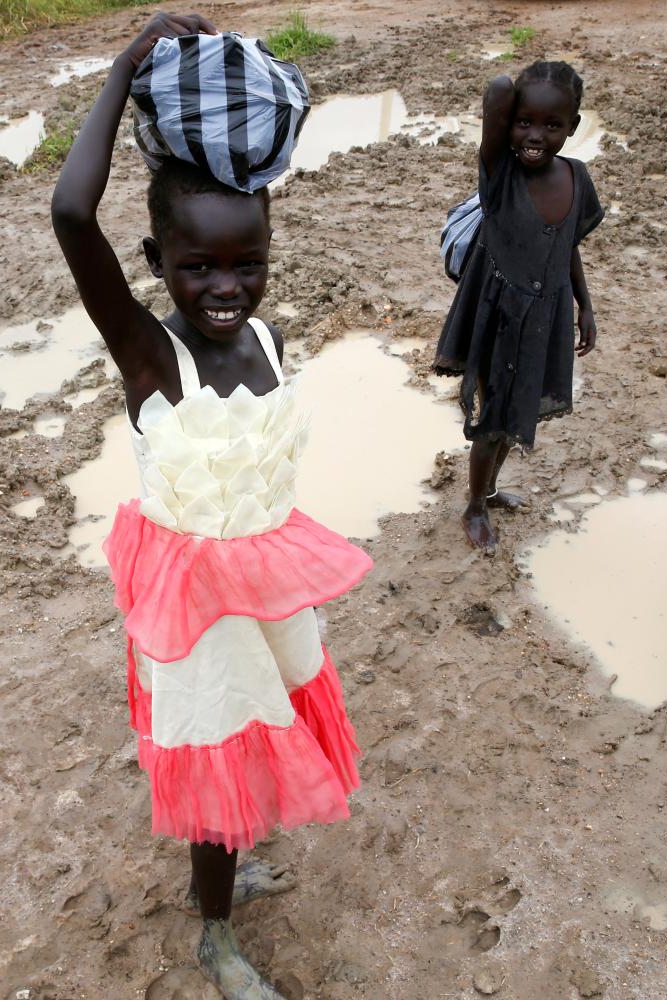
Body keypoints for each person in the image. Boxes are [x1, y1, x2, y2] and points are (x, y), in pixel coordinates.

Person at [50, 14, 372, 999]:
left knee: (264, 731)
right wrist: (121, 70)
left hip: (265, 589)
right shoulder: (153, 354)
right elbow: (71, 214)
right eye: (198, 268)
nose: (224, 287)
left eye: (246, 264)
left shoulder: (265, 340)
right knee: (214, 756)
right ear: (155, 259)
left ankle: (228, 868)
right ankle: (217, 937)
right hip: (195, 615)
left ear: (269, 251)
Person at [433, 61, 605, 553]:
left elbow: (567, 243)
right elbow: (496, 92)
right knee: (495, 418)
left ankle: (487, 490)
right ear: (507, 123)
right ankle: (474, 506)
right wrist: (508, 105)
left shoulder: (577, 177)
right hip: (495, 312)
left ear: (573, 128)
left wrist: (585, 305)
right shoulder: (500, 172)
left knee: (516, 413)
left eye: (553, 126)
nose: (536, 135)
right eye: (524, 121)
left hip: (544, 316)